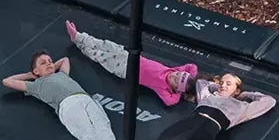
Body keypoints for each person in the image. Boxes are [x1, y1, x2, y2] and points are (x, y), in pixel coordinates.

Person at [2, 51, 121, 140]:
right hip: (68, 105)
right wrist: (30, 75)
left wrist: (50, 66)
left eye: (50, 61)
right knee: (87, 131)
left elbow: (65, 59)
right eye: (43, 63)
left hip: (86, 98)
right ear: (36, 71)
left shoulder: (62, 74)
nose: (49, 64)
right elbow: (7, 81)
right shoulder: (36, 85)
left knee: (102, 125)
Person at [137, 71, 279, 140]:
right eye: (222, 82)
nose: (223, 85)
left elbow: (269, 101)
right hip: (190, 123)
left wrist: (244, 95)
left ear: (236, 90)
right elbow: (201, 82)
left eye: (228, 84)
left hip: (206, 130)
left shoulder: (242, 108)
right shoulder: (207, 96)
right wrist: (218, 87)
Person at [65, 21, 197, 106]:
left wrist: (179, 93)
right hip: (129, 56)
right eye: (178, 74)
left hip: (124, 70)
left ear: (175, 88)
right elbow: (192, 67)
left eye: (176, 80)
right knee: (105, 44)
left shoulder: (162, 87)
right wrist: (194, 80)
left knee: (99, 56)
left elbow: (169, 102)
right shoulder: (172, 70)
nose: (174, 76)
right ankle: (79, 36)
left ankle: (79, 44)